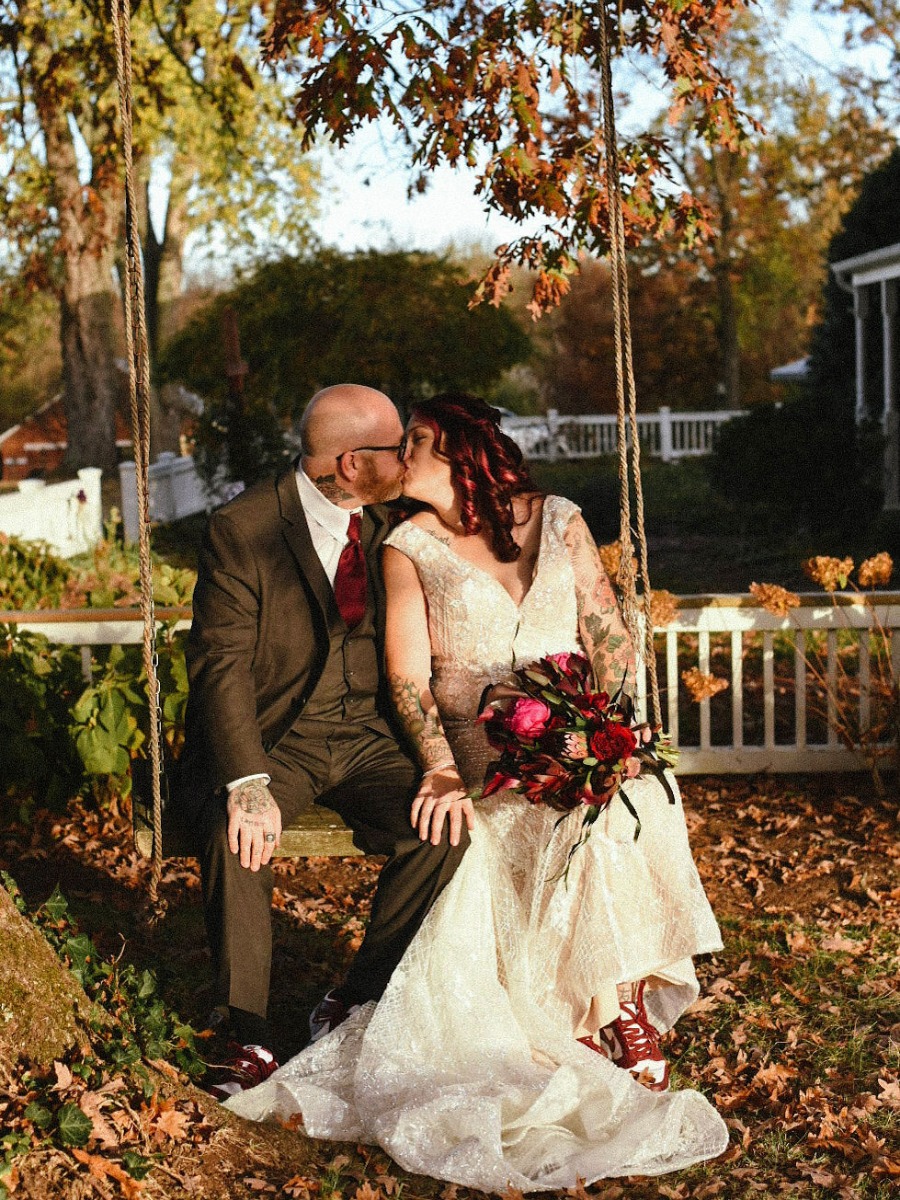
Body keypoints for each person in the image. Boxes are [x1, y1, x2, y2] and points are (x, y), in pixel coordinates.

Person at [225, 394, 728, 1186]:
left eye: (416, 441)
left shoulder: (558, 520)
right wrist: (441, 765)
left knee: (630, 800)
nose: (401, 456)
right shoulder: (407, 547)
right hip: (483, 754)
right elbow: (408, 680)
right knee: (529, 820)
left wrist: (608, 728)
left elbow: (611, 641)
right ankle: (591, 1010)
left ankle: (615, 998)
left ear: (462, 451)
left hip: (578, 727)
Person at [177, 384, 470, 1101]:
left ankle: (356, 999)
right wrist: (247, 781)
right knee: (232, 827)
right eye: (393, 447)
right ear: (347, 462)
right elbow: (220, 665)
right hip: (280, 737)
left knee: (443, 829)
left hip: (372, 735)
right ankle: (243, 1028)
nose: (407, 459)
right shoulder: (244, 528)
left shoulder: (399, 520)